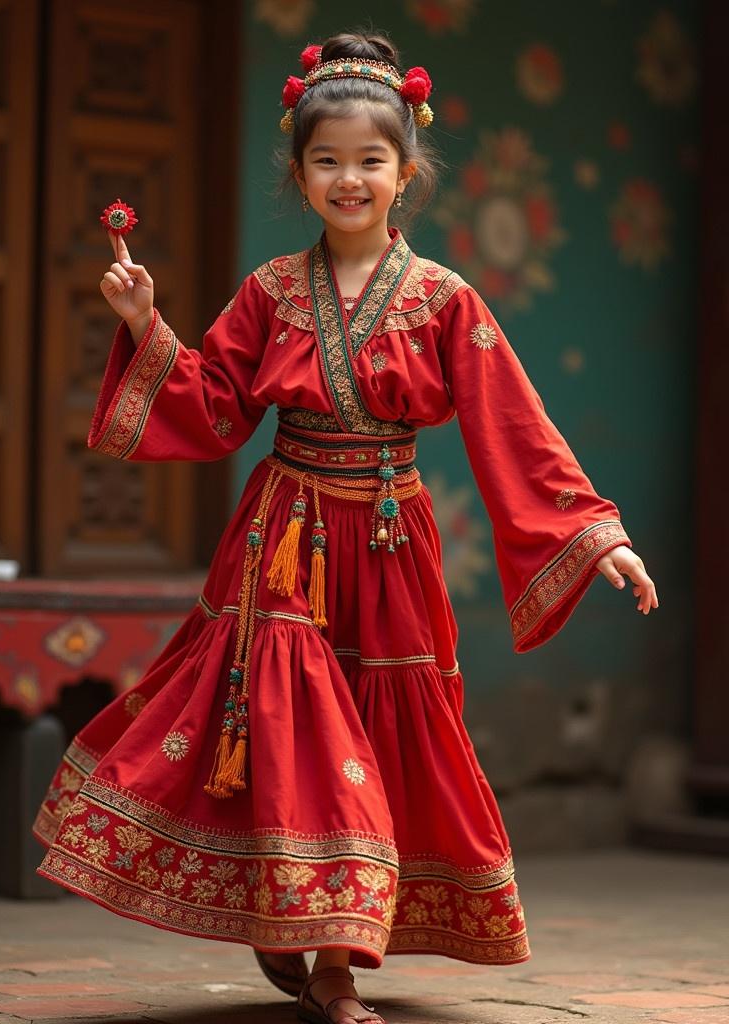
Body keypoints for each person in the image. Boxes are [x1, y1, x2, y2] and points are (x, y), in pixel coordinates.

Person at [32, 31, 658, 1024]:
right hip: (281, 540)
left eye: (371, 159)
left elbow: (514, 427)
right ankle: (326, 955)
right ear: (300, 170)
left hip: (388, 542)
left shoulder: (445, 299)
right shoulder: (271, 292)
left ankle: (325, 933)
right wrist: (149, 325)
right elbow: (216, 404)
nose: (349, 177)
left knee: (374, 730)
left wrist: (597, 534)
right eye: (327, 160)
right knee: (294, 718)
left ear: (407, 172)